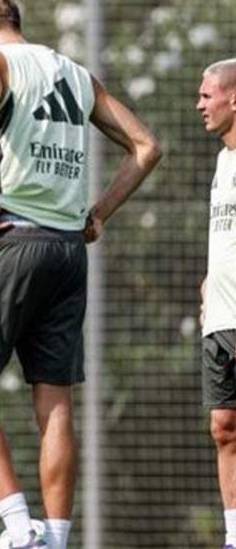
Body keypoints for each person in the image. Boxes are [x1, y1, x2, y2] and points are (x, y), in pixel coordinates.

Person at [0, 0, 162, 548]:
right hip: (69, 249)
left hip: (13, 239)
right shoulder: (75, 74)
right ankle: (58, 538)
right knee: (55, 402)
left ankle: (21, 529)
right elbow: (146, 146)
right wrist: (99, 213)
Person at [197, 57, 236, 549]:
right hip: (221, 316)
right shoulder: (223, 159)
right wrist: (210, 282)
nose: (199, 104)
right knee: (224, 426)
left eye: (208, 95)